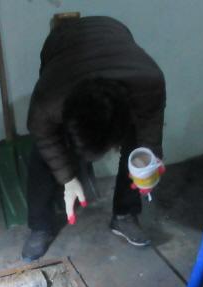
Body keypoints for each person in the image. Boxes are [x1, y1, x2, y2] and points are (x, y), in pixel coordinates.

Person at [22, 16, 166, 262]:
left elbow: (149, 128)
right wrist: (68, 180)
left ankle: (124, 214)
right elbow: (46, 139)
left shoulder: (149, 83)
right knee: (42, 154)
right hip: (61, 42)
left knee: (136, 147)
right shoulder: (48, 100)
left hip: (112, 30)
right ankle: (40, 225)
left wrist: (147, 163)